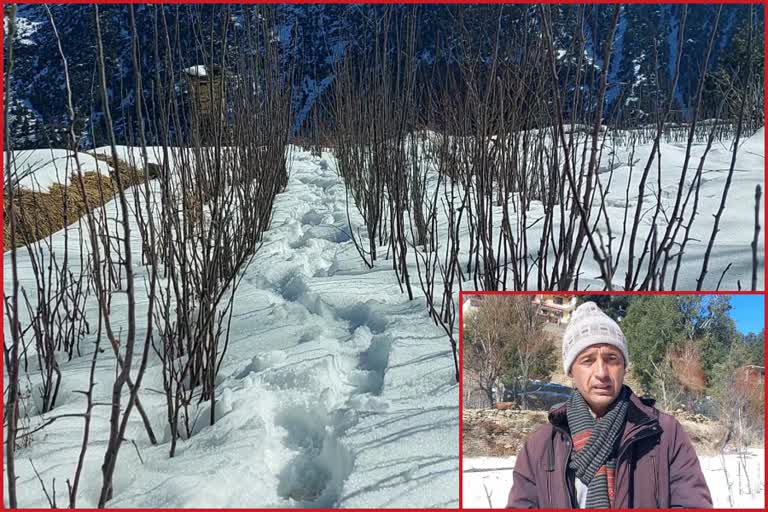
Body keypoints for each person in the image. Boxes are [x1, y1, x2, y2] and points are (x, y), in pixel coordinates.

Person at [507, 301, 712, 508]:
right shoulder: (540, 446)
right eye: (587, 360)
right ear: (570, 371)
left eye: (611, 359)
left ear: (624, 367)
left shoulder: (665, 434)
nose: (602, 373)